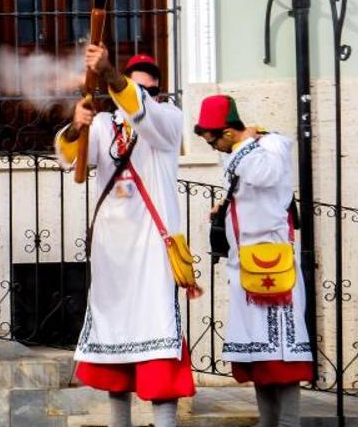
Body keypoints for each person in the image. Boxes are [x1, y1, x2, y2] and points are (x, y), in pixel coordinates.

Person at [54, 49, 195, 427]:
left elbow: (144, 114)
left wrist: (113, 77)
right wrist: (76, 126)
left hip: (152, 249)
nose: (142, 92)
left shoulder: (168, 119)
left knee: (159, 349)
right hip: (112, 252)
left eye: (147, 87)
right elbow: (72, 160)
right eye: (136, 84)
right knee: (115, 354)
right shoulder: (104, 125)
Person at [194, 94, 313, 427]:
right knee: (258, 352)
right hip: (244, 264)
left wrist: (243, 144)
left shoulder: (268, 148)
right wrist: (227, 207)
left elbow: (263, 176)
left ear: (229, 132)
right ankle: (267, 421)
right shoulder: (244, 152)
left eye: (213, 140)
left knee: (281, 353)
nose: (214, 147)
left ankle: (288, 422)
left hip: (271, 263)